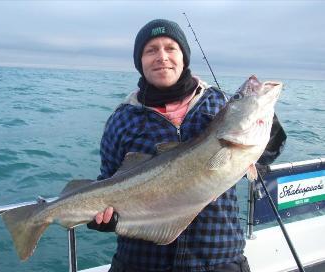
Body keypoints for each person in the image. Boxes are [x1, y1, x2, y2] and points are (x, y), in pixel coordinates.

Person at [87, 19, 286, 272]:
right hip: (141, 262)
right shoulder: (122, 119)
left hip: (218, 257)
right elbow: (109, 179)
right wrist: (109, 219)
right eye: (151, 50)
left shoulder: (218, 103)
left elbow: (264, 158)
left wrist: (265, 122)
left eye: (171, 48)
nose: (162, 57)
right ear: (140, 61)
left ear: (183, 56)